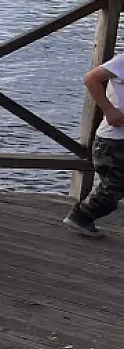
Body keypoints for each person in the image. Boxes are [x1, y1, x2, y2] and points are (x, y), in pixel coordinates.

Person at [64, 56, 124, 238]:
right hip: (114, 139)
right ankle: (82, 215)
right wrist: (108, 109)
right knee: (116, 184)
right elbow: (91, 78)